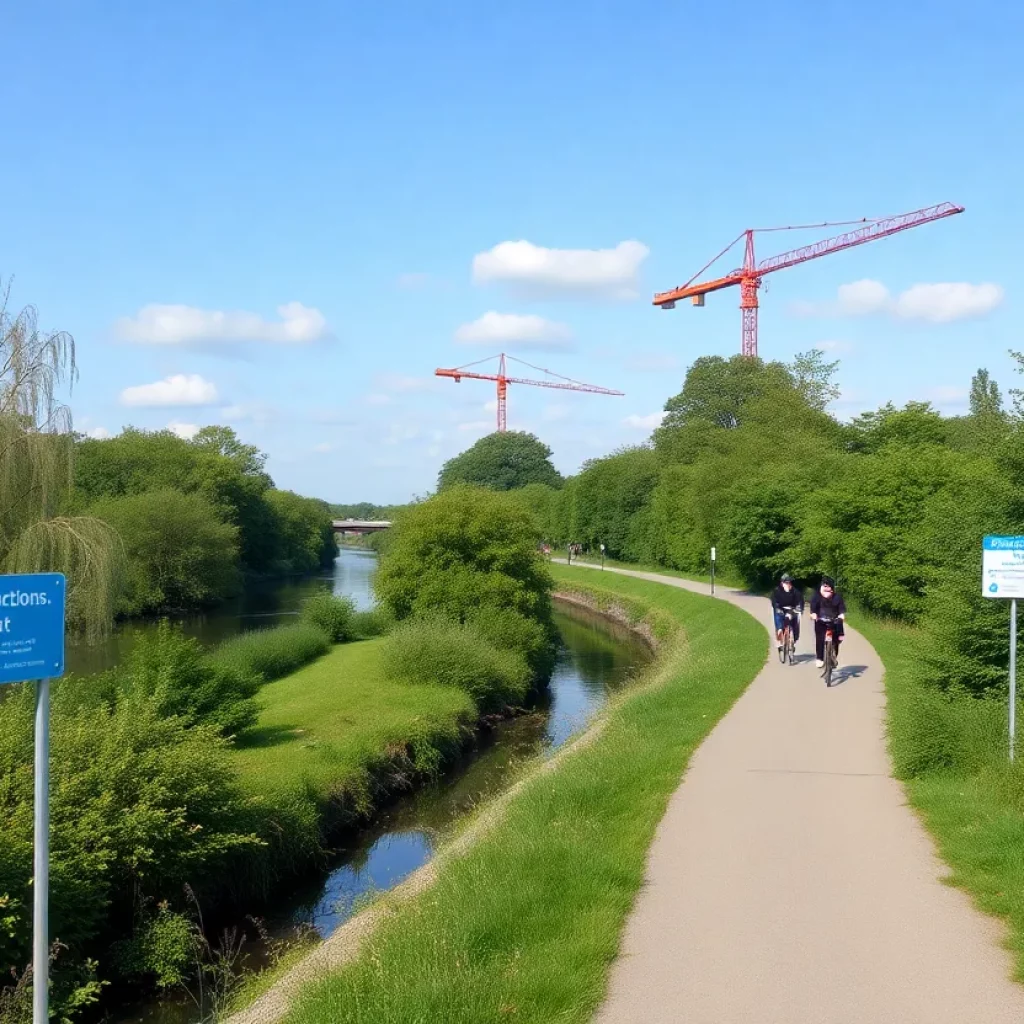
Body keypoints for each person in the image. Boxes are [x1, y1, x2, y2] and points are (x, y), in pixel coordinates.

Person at [809, 576, 846, 668]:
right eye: (824, 586)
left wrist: (841, 614)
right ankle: (820, 658)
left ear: (832, 589)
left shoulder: (837, 597)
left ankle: (834, 655)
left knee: (836, 639)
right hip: (820, 621)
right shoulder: (817, 597)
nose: (826, 589)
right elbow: (813, 606)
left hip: (834, 621)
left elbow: (841, 608)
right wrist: (813, 613)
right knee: (820, 639)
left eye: (828, 587)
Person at [770, 573, 804, 652]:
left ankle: (793, 640)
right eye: (786, 583)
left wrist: (798, 609)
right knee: (778, 619)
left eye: (789, 582)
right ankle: (779, 636)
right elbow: (774, 601)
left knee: (796, 624)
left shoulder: (795, 592)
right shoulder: (777, 591)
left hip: (792, 610)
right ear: (782, 583)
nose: (788, 584)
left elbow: (800, 601)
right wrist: (777, 607)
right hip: (780, 609)